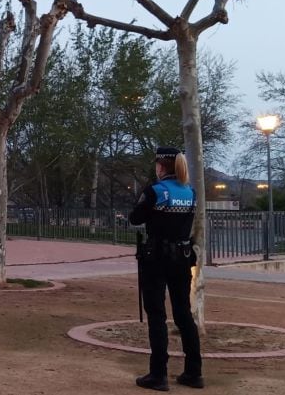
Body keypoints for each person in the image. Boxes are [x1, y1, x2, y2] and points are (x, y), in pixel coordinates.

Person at [129, 146, 203, 391]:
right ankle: (194, 372)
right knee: (183, 314)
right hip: (182, 258)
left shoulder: (156, 191)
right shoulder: (190, 192)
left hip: (156, 259)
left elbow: (135, 218)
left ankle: (158, 374)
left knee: (157, 315)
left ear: (161, 166)